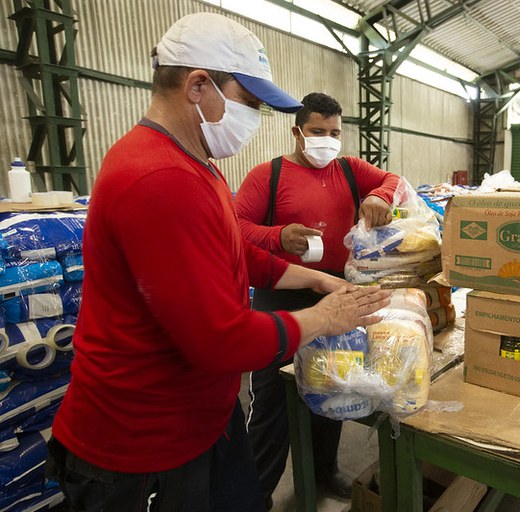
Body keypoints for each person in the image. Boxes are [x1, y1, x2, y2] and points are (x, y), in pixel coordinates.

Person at [45, 14, 390, 512]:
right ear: (197, 86)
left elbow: (236, 252)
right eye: (249, 103)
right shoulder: (158, 179)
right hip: (141, 444)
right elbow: (220, 341)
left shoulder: (195, 165)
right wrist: (324, 320)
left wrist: (315, 280)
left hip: (198, 419)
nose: (252, 118)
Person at [234, 92, 400, 506]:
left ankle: (326, 471)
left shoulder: (348, 169)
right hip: (282, 292)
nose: (327, 140)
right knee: (272, 401)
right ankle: (257, 493)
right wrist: (277, 236)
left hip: (337, 289)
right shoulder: (266, 176)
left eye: (334, 133)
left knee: (333, 385)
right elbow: (234, 228)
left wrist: (381, 196)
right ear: (297, 132)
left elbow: (393, 179)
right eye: (317, 132)